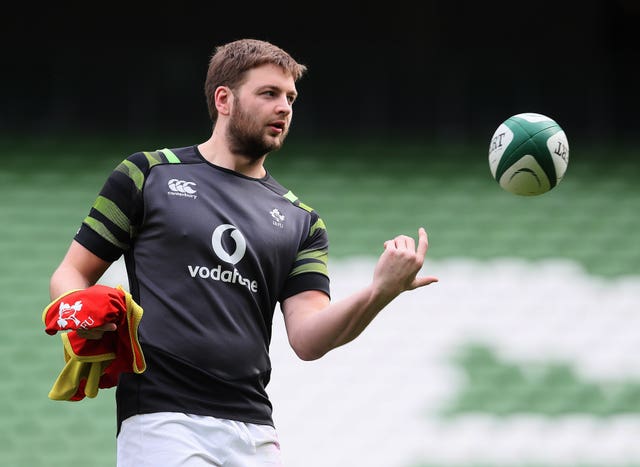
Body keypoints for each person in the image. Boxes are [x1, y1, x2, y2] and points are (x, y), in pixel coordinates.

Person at [48, 38, 439, 466]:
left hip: (254, 431)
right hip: (163, 420)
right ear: (224, 99)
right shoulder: (146, 174)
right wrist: (77, 308)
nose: (285, 107)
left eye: (290, 97)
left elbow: (308, 340)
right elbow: (72, 272)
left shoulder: (302, 220)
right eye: (269, 93)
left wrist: (379, 292)